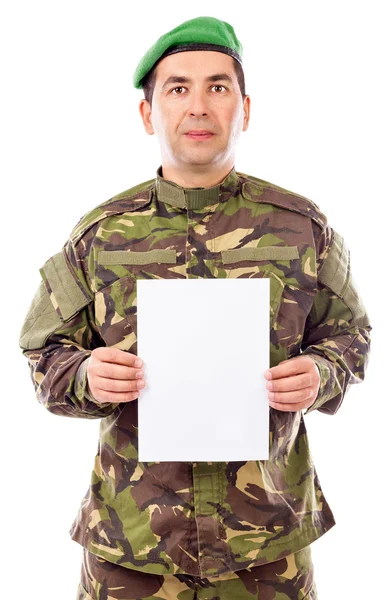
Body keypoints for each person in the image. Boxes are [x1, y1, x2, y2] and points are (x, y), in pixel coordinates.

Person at [18, 15, 372, 600]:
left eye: (218, 87)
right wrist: (83, 374)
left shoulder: (302, 228)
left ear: (245, 108)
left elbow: (349, 335)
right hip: (131, 546)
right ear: (147, 112)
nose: (199, 106)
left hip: (265, 550)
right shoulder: (100, 235)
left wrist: (322, 373)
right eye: (177, 88)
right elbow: (43, 350)